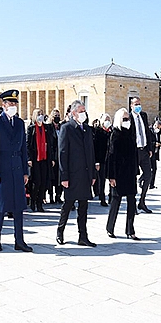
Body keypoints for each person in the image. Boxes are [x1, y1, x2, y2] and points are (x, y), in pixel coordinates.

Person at [0, 90, 32, 252]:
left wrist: (25, 171)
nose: (13, 106)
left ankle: (19, 240)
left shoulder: (19, 123)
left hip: (17, 169)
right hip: (3, 170)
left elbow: (24, 149)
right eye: (10, 103)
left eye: (15, 104)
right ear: (3, 105)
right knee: (0, 207)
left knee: (19, 207)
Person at [56, 100, 97, 247]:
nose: (83, 113)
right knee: (68, 205)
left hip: (85, 175)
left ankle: (83, 236)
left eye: (84, 110)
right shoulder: (66, 128)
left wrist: (93, 174)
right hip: (72, 175)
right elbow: (62, 153)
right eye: (81, 111)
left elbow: (91, 153)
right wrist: (64, 176)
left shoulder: (87, 129)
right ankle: (60, 231)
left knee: (84, 207)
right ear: (73, 113)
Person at [105, 108, 140, 240]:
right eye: (124, 119)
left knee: (132, 201)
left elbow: (134, 154)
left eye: (128, 119)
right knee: (116, 202)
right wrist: (111, 176)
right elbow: (111, 156)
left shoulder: (130, 133)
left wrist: (136, 170)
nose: (127, 121)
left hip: (130, 173)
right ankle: (110, 227)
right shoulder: (115, 134)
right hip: (118, 174)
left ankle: (130, 230)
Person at [26, 108, 56, 213]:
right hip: (35, 158)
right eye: (39, 114)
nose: (41, 116)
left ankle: (40, 203)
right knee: (36, 181)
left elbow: (50, 144)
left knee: (44, 181)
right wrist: (29, 158)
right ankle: (33, 201)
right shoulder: (31, 128)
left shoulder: (46, 128)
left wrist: (52, 158)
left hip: (45, 158)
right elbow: (28, 144)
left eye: (42, 114)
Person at [129, 96, 155, 214]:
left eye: (139, 104)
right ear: (131, 106)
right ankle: (132, 204)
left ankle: (142, 201)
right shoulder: (128, 118)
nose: (138, 106)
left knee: (148, 174)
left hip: (144, 150)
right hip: (134, 152)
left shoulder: (143, 116)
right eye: (135, 104)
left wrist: (150, 148)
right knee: (132, 178)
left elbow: (147, 132)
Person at [93, 113, 111, 207]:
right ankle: (102, 197)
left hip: (110, 159)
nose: (107, 121)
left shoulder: (111, 132)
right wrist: (97, 161)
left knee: (111, 178)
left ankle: (111, 197)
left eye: (109, 119)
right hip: (101, 159)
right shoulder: (98, 132)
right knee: (102, 180)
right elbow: (96, 148)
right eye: (106, 119)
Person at [47, 108, 63, 204]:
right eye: (55, 116)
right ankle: (51, 196)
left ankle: (58, 195)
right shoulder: (49, 128)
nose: (57, 117)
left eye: (58, 116)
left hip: (60, 155)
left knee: (59, 178)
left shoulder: (62, 127)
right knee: (51, 178)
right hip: (52, 155)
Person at [149, 121, 161, 189]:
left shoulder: (158, 132)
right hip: (150, 153)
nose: (159, 129)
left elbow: (158, 140)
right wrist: (155, 144)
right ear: (155, 125)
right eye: (158, 127)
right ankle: (141, 180)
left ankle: (152, 185)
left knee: (154, 169)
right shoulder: (150, 131)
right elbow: (148, 142)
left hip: (155, 154)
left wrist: (160, 143)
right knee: (149, 170)